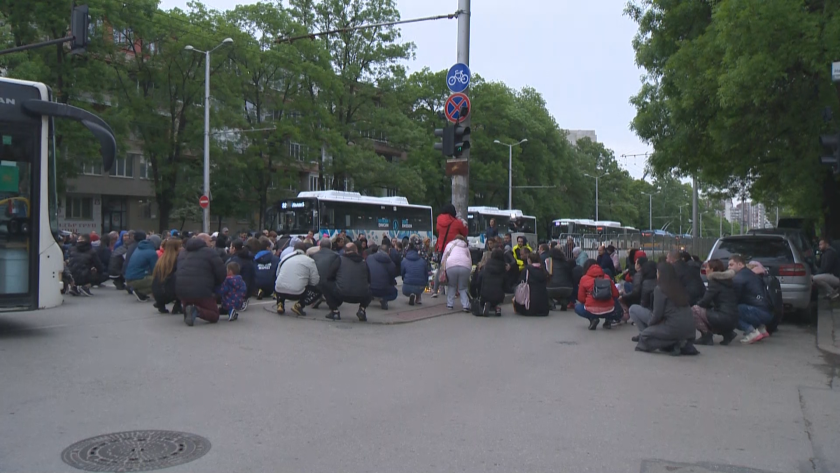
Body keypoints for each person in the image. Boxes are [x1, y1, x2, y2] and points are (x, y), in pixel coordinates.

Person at [635, 262, 698, 355]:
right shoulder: (679, 286)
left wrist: (649, 326)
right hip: (690, 331)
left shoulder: (660, 289)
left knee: (644, 336)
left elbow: (657, 315)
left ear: (660, 274)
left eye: (657, 272)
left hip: (673, 326)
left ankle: (675, 343)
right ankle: (680, 343)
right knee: (649, 334)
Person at [176, 233, 226, 326]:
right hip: (202, 290)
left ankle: (188, 309)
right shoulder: (210, 252)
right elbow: (222, 273)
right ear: (203, 241)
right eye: (210, 241)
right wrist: (214, 287)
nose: (212, 243)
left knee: (189, 299)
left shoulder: (182, 252)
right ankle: (197, 311)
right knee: (214, 315)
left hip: (181, 290)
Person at [692, 259, 739, 346]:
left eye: (707, 268)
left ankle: (706, 336)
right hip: (733, 318)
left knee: (694, 310)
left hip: (723, 318)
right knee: (708, 312)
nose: (705, 270)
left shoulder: (714, 282)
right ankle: (727, 333)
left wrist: (694, 305)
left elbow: (705, 301)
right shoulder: (727, 281)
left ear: (712, 269)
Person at [730, 255, 773, 344]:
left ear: (740, 264)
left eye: (731, 264)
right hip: (768, 312)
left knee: (731, 311)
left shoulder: (739, 278)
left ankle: (751, 332)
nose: (729, 267)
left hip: (759, 312)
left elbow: (734, 299)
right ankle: (761, 330)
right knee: (743, 308)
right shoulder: (752, 275)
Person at [324, 243, 372, 321]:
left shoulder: (340, 259)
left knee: (325, 284)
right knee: (370, 288)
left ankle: (334, 311)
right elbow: (369, 280)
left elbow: (329, 276)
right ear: (356, 251)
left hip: (342, 293)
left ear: (344, 251)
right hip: (361, 295)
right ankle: (362, 310)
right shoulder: (364, 262)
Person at [274, 242, 320, 316]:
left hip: (279, 290)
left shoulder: (285, 257)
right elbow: (315, 281)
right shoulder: (309, 261)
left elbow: (277, 274)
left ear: (294, 249)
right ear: (305, 251)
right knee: (318, 290)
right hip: (297, 292)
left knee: (280, 282)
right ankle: (299, 305)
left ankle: (280, 303)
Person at [575, 259, 620, 330]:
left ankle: (593, 319)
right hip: (609, 309)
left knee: (578, 308)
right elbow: (616, 294)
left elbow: (581, 298)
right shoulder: (607, 277)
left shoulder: (584, 278)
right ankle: (608, 320)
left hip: (591, 310)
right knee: (613, 301)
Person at [626, 260, 658, 338]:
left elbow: (644, 303)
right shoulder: (662, 281)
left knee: (633, 309)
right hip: (666, 317)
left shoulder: (646, 282)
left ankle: (644, 333)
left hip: (654, 314)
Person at [441, 235, 472, 312]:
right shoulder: (465, 247)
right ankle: (465, 305)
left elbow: (444, 257)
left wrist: (443, 269)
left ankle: (450, 304)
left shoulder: (450, 244)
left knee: (452, 285)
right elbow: (470, 259)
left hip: (451, 265)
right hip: (465, 266)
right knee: (463, 287)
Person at [124, 232, 158, 301]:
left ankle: (139, 291)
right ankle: (141, 292)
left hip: (128, 278)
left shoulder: (139, 248)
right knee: (159, 281)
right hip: (136, 279)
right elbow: (155, 270)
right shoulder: (152, 253)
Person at [152, 238, 183, 314]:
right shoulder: (177, 259)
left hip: (157, 292)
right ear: (176, 248)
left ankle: (161, 304)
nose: (182, 248)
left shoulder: (161, 259)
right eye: (180, 246)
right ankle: (178, 305)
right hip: (169, 293)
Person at [310, 238, 341, 309]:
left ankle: (317, 296)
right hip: (329, 284)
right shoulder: (336, 256)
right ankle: (329, 298)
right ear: (330, 247)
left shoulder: (313, 255)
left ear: (320, 247)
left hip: (315, 284)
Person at [476, 249, 507, 316]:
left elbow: (479, 280)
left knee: (485, 297)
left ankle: (485, 304)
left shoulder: (485, 267)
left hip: (485, 292)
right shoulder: (503, 268)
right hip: (499, 294)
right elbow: (505, 283)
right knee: (498, 296)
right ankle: (497, 307)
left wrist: (478, 291)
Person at [367, 243, 398, 309]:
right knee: (394, 293)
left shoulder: (369, 258)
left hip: (369, 288)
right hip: (383, 289)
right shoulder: (391, 264)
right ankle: (384, 299)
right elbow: (392, 279)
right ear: (388, 252)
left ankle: (371, 296)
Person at [226, 239, 255, 310]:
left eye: (230, 247)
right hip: (248, 287)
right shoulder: (248, 258)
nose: (229, 249)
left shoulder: (235, 259)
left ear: (234, 248)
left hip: (240, 289)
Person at [401, 238, 430, 306]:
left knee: (409, 284)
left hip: (406, 288)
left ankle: (411, 294)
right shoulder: (422, 261)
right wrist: (425, 283)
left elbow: (402, 274)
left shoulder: (404, 261)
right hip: (420, 287)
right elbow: (426, 275)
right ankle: (418, 298)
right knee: (418, 280)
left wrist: (404, 279)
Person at [546, 246, 575, 310]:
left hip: (552, 287)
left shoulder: (549, 262)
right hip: (568, 288)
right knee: (562, 293)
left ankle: (551, 304)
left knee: (544, 290)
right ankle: (564, 301)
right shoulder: (566, 262)